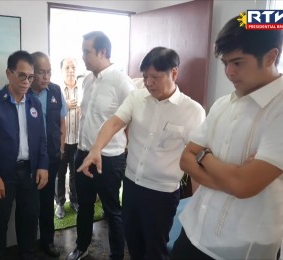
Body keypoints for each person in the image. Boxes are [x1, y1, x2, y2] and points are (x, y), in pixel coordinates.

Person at [171, 16, 283, 260]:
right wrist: (230, 178)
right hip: (193, 230)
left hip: (240, 249)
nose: (229, 72)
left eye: (238, 63)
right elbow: (185, 159)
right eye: (225, 63)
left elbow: (243, 185)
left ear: (271, 57)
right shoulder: (224, 103)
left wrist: (204, 156)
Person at [77, 47, 206, 259]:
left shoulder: (192, 111)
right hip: (132, 187)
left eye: (155, 77)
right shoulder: (137, 98)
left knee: (155, 248)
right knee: (133, 243)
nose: (148, 83)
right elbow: (114, 123)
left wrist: (198, 201)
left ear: (174, 73)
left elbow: (196, 157)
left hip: (162, 194)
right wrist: (96, 149)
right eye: (145, 76)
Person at [66, 31, 135, 260]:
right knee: (84, 207)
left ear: (102, 52)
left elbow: (133, 118)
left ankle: (117, 255)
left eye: (87, 52)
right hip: (83, 155)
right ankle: (82, 246)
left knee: (112, 211)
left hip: (109, 159)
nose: (83, 57)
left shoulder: (121, 81)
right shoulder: (87, 80)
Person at [0, 50, 49, 260]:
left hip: (30, 171)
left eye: (31, 77)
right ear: (9, 73)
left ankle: (28, 255)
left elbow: (41, 139)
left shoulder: (34, 103)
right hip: (3, 174)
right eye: (22, 76)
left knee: (29, 219)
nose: (27, 81)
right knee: (0, 220)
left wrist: (43, 165)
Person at [28, 51, 67, 257]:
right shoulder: (24, 93)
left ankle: (47, 241)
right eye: (41, 72)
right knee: (29, 205)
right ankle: (28, 244)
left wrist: (61, 148)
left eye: (49, 72)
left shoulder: (55, 91)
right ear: (31, 72)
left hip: (51, 157)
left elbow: (62, 121)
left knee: (46, 204)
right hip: (29, 160)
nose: (46, 77)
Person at [55, 57, 82, 219]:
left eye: (73, 67)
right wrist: (65, 104)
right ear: (61, 71)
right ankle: (59, 203)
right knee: (60, 172)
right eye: (67, 68)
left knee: (75, 172)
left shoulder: (84, 87)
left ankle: (74, 200)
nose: (71, 70)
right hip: (62, 139)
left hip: (79, 139)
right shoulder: (56, 89)